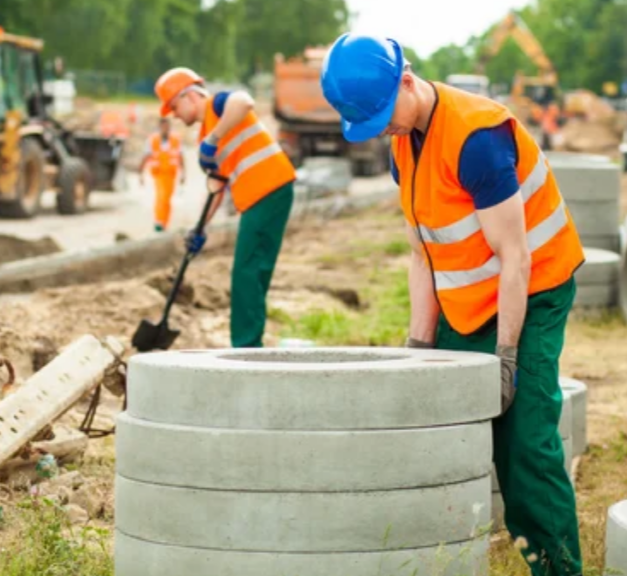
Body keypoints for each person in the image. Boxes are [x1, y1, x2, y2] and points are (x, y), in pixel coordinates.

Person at [320, 34, 586, 576]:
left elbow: (516, 258)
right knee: (439, 420)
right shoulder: (403, 143)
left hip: (531, 289)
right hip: (470, 300)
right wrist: (418, 350)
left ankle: (558, 567)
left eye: (382, 114)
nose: (384, 129)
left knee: (524, 439)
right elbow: (424, 256)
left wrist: (507, 357)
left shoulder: (477, 139)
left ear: (408, 80)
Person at [154, 67, 296, 348]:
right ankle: (251, 343)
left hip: (267, 189)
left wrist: (214, 139)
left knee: (245, 271)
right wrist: (200, 229)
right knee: (254, 271)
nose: (175, 116)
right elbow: (218, 186)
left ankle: (246, 347)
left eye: (174, 106)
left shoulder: (218, 107)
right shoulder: (206, 134)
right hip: (270, 192)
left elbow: (245, 102)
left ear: (191, 95)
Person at [138, 116, 185, 232]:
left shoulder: (175, 139)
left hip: (170, 174)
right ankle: (159, 221)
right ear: (159, 127)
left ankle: (164, 223)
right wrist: (140, 173)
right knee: (161, 197)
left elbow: (181, 157)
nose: (165, 129)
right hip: (158, 174)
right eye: (163, 127)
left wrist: (183, 173)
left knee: (167, 199)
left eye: (166, 127)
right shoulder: (153, 140)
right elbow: (146, 156)